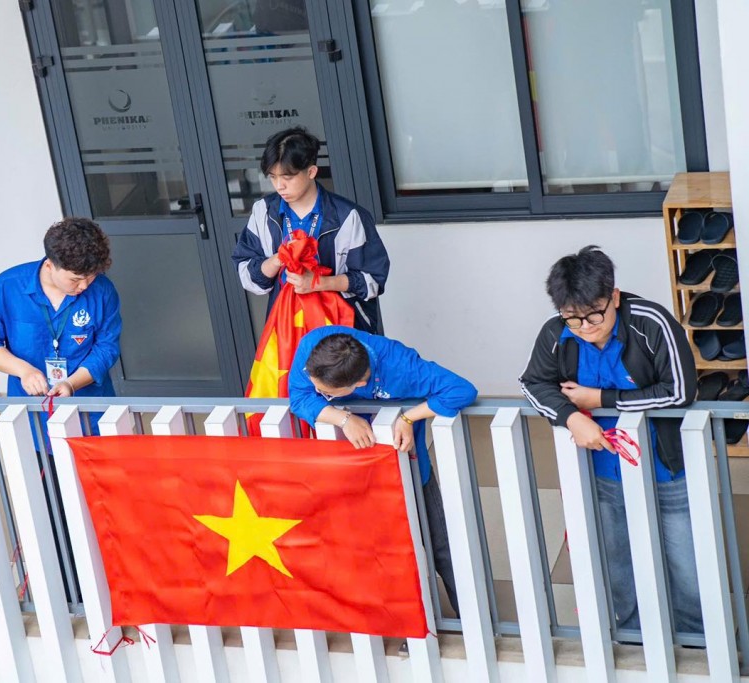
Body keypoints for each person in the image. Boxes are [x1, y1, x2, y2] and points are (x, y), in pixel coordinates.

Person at [519, 246, 702, 634]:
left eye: (594, 315)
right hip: (602, 470)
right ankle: (631, 635)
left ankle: (697, 638)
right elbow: (532, 383)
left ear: (614, 297)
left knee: (685, 560)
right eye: (573, 318)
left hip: (665, 466)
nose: (585, 327)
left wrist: (600, 400)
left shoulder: (652, 322)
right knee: (615, 558)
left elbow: (681, 390)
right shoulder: (556, 332)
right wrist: (571, 417)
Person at [288, 325, 479, 615]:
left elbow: (462, 390)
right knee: (372, 549)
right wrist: (343, 419)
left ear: (358, 384)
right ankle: (396, 620)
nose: (316, 391)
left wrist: (408, 417)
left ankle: (471, 619)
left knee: (439, 543)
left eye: (325, 392)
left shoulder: (401, 365)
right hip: (347, 472)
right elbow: (300, 398)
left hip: (403, 466)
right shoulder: (313, 348)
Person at [232, 127, 390, 333]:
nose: (279, 186)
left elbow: (373, 280)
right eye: (273, 177)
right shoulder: (264, 212)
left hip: (341, 329)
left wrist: (318, 283)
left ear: (311, 172)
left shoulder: (349, 216)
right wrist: (278, 259)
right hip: (287, 326)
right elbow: (247, 273)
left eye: (287, 177)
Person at [0, 217, 121, 418]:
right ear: (50, 266)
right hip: (30, 407)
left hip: (91, 407)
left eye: (91, 277)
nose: (84, 286)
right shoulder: (8, 286)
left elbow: (107, 347)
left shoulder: (102, 291)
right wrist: (23, 370)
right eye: (75, 279)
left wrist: (71, 384)